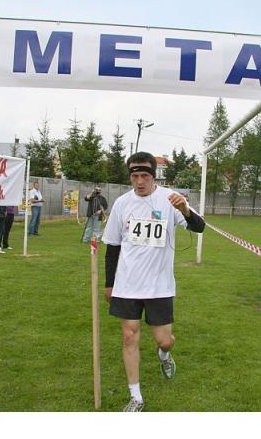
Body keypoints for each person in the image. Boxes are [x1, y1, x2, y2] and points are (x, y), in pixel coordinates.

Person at [101, 152, 205, 412]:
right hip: (127, 284)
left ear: (153, 176)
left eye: (144, 176)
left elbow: (199, 226)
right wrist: (109, 283)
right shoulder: (122, 204)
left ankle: (165, 355)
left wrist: (184, 209)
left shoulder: (171, 199)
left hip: (159, 286)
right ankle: (136, 397)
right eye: (135, 176)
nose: (139, 182)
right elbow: (112, 247)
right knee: (129, 336)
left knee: (164, 340)